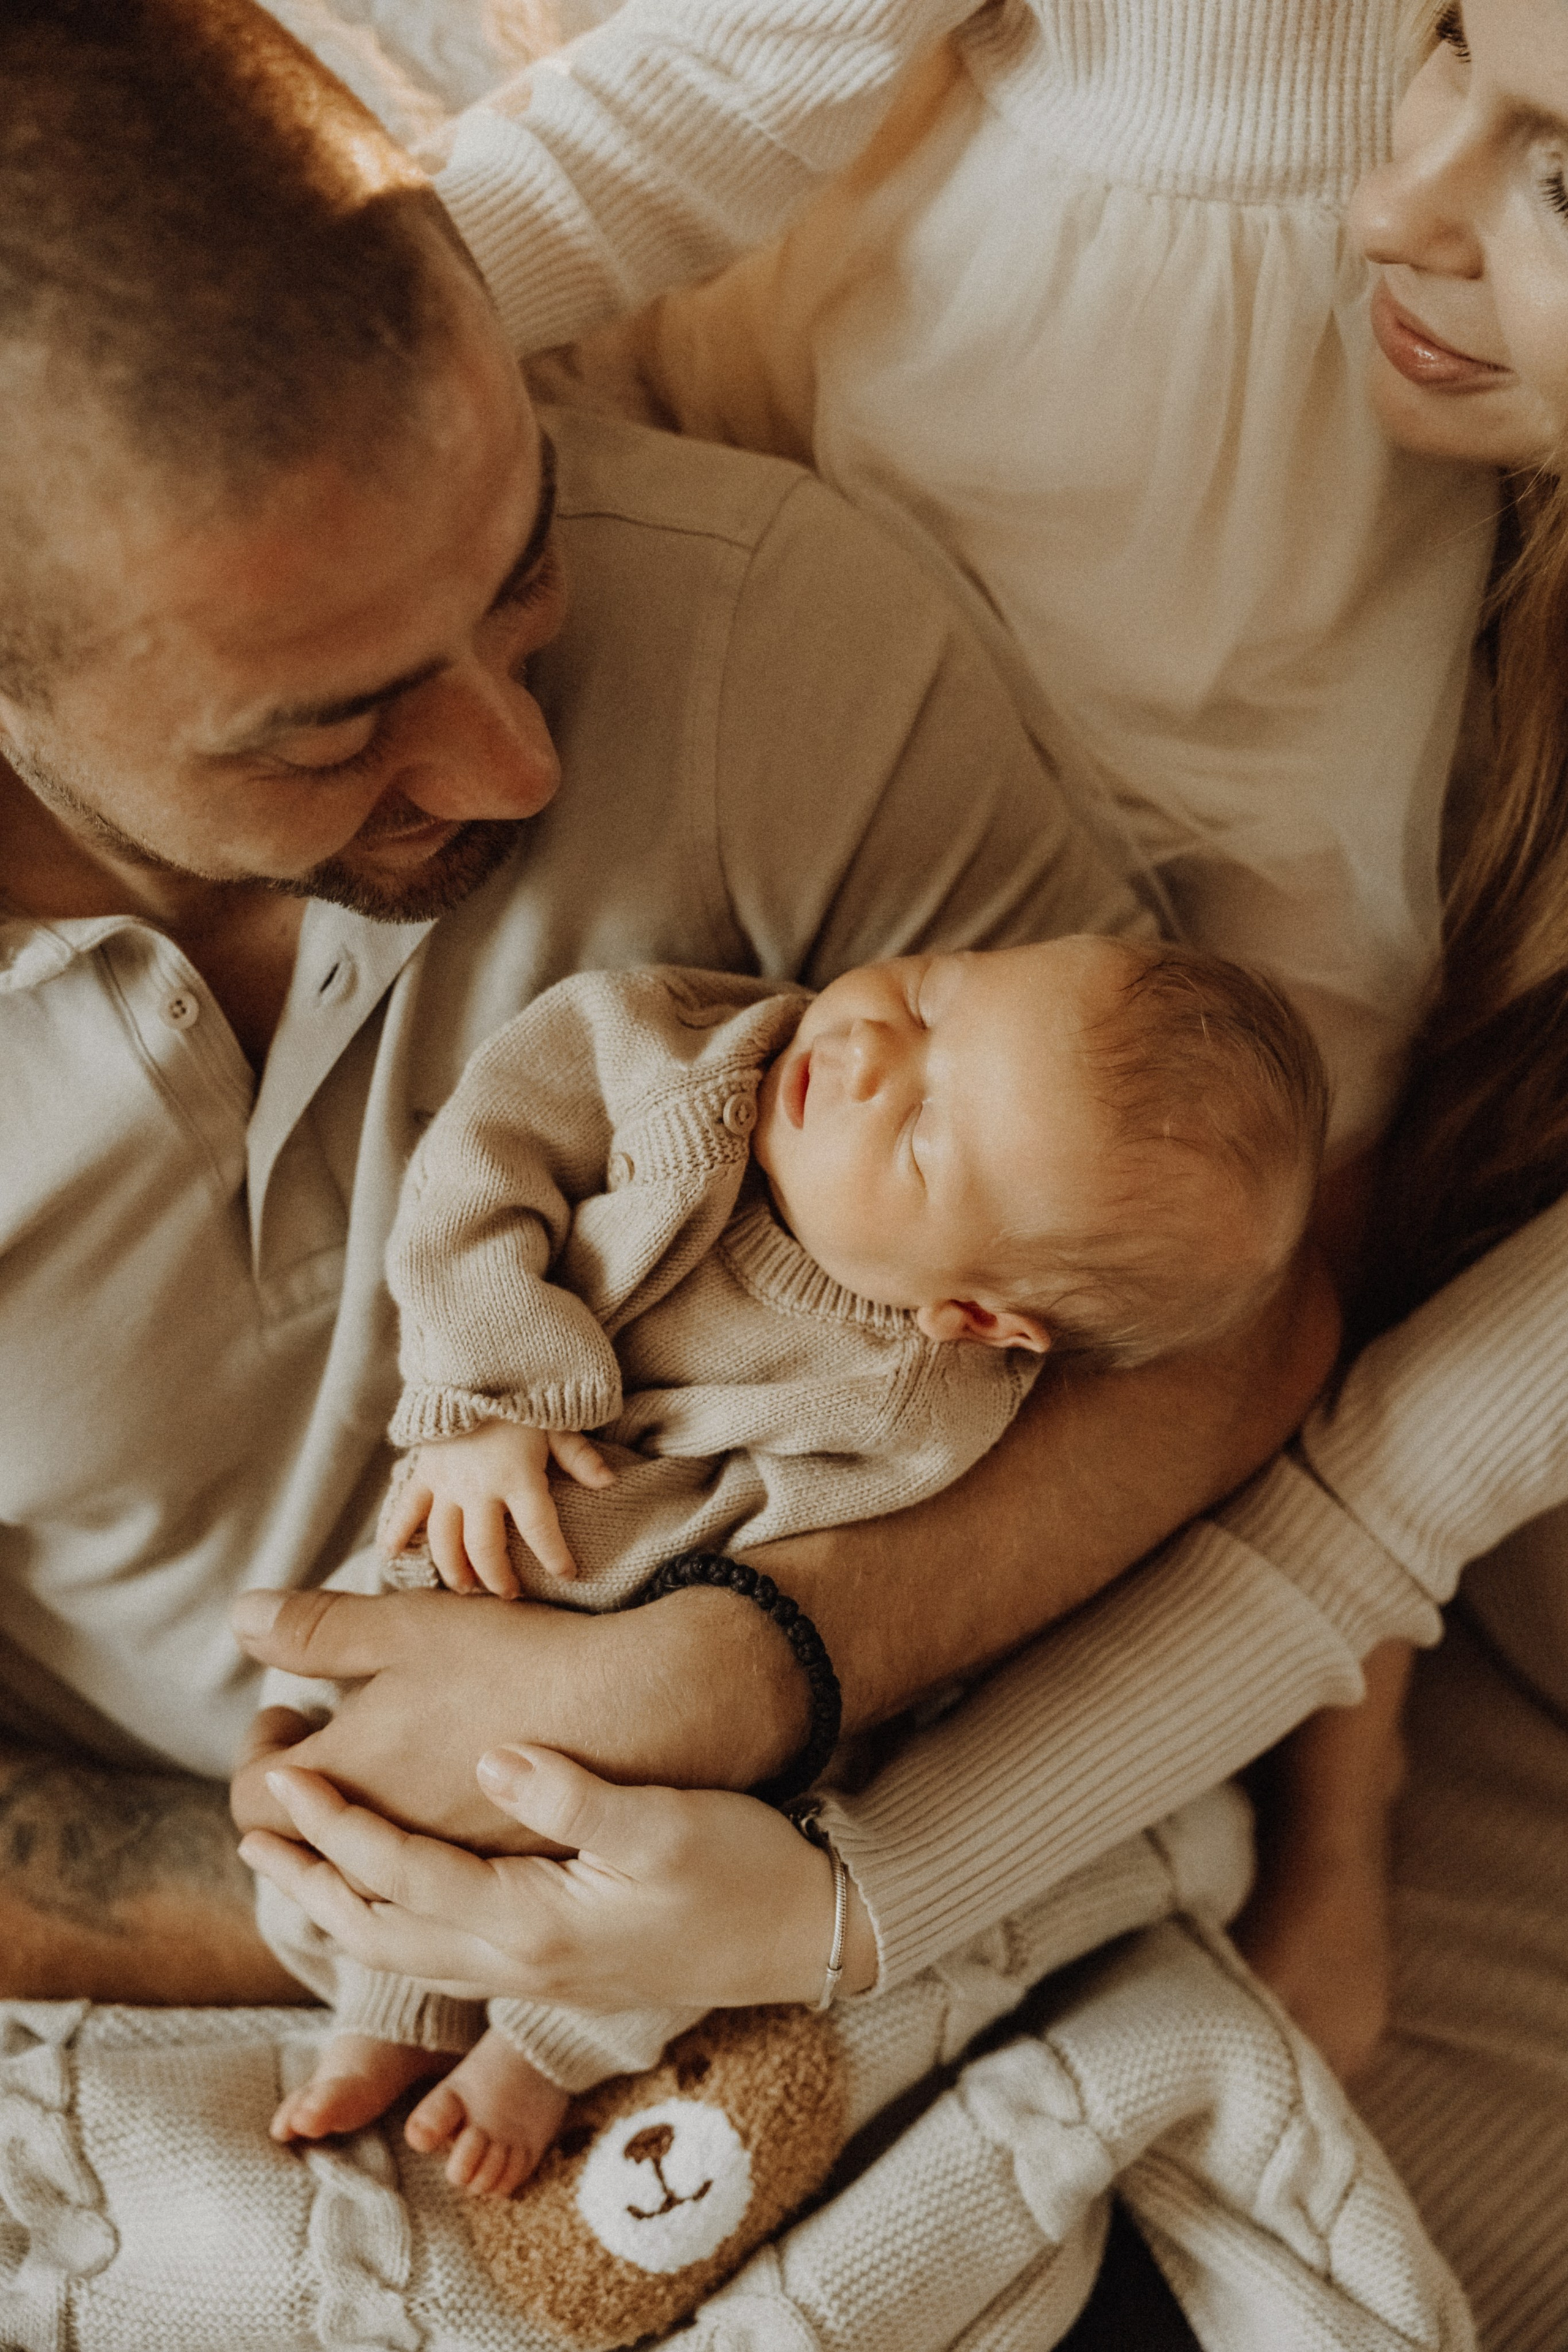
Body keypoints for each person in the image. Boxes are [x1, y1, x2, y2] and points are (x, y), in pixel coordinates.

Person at [241, 1, 1568, 2339]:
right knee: (874, 1046)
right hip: (958, 374)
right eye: (1446, 53)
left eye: (1559, 175)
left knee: (1271, 1116)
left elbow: (1371, 1459)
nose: (1399, 183)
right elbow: (726, 86)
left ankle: (1307, 1818)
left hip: (1283, 609)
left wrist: (835, 1904)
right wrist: (299, 375)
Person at [0, 0, 1328, 2022]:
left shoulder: (774, 635)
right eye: (331, 726)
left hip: (823, 1874)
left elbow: (1225, 1324)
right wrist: (347, 1887)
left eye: (520, 566)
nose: (518, 763)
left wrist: (736, 1667)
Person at [259, 940, 1326, 2196]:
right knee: (378, 1764)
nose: (871, 1051)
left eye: (924, 1130)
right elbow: (488, 1153)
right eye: (935, 992)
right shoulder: (676, 1062)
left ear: (976, 1320)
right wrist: (490, 1391)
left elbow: (830, 1571)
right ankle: (384, 2005)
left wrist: (702, 1692)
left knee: (689, 1856)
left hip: (659, 1623)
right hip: (492, 1510)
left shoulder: (933, 1411)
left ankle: (548, 2044)